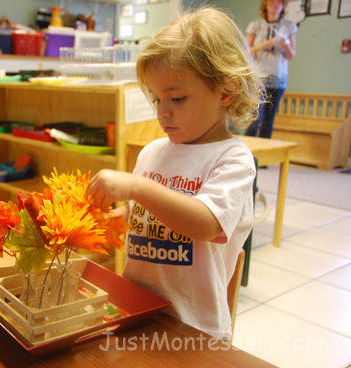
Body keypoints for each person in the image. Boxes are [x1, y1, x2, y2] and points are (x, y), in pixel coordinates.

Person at [85, 7, 263, 340]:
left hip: (194, 326)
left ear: (227, 92)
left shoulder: (233, 160)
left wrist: (137, 187)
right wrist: (111, 219)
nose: (163, 111)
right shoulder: (153, 152)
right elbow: (140, 214)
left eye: (177, 98)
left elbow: (206, 223)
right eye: (156, 99)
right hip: (135, 309)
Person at [245, 0, 297, 138]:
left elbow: (291, 54)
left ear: (283, 5)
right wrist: (267, 44)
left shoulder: (289, 26)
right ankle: (247, 155)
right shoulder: (255, 25)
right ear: (265, 5)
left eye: (279, 2)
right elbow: (246, 52)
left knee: (269, 121)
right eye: (272, 1)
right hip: (259, 78)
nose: (275, 4)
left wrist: (285, 44)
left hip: (278, 78)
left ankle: (263, 157)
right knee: (254, 117)